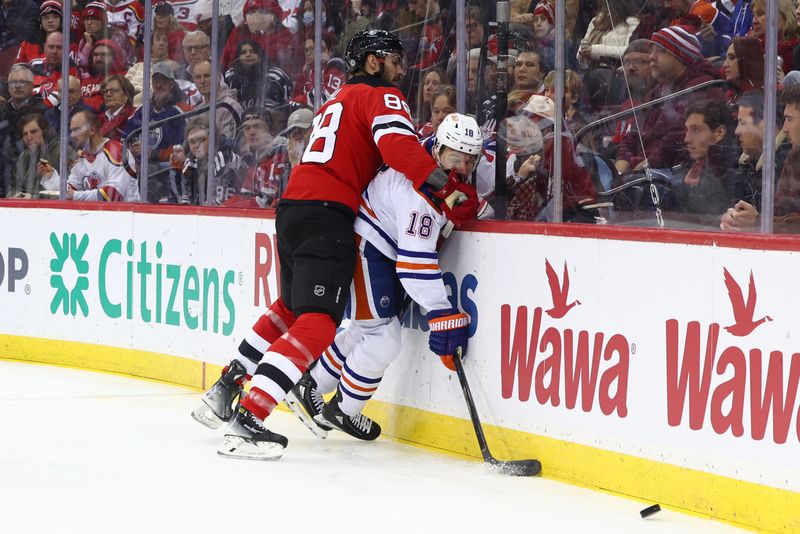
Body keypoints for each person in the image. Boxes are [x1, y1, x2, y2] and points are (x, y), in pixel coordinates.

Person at [191, 30, 458, 460]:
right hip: (327, 212)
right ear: (373, 62)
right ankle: (250, 418)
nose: (401, 68)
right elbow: (398, 147)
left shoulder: (336, 101)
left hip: (294, 205)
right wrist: (445, 187)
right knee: (318, 323)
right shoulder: (382, 96)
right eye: (393, 59)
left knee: (291, 308)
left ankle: (227, 385)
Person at [285, 114, 482, 440]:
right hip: (369, 245)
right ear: (439, 149)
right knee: (383, 336)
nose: (461, 166)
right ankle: (342, 409)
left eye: (469, 159)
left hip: (372, 241)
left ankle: (313, 385)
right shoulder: (420, 193)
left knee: (365, 326)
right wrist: (442, 312)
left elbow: (448, 202)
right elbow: (414, 264)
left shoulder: (430, 165)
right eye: (454, 157)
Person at [615, 26, 724, 175]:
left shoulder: (702, 89)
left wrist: (638, 171)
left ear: (681, 57)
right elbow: (634, 134)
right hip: (643, 170)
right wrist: (620, 171)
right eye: (652, 51)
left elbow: (676, 142)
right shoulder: (659, 90)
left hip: (671, 175)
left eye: (661, 51)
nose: (652, 57)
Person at [721, 86, 800, 231]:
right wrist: (739, 219)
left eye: (789, 119)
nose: (785, 128)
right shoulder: (793, 157)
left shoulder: (781, 160)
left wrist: (757, 221)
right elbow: (779, 211)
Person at [41, 109, 139, 202]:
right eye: (71, 130)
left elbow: (112, 195)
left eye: (76, 129)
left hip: (126, 216)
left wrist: (75, 195)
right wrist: (51, 176)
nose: (72, 135)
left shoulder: (116, 151)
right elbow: (69, 191)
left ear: (92, 130)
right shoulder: (82, 159)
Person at [673, 99, 740, 220]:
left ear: (719, 133)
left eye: (696, 130)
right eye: (687, 130)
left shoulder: (733, 175)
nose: (686, 139)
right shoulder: (694, 168)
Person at [173, 116, 243, 205]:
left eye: (202, 140)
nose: (197, 145)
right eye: (192, 142)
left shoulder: (224, 158)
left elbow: (222, 203)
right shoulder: (191, 162)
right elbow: (186, 198)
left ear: (213, 139)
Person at [9, 113, 75, 198]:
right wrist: (14, 196)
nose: (29, 137)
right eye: (25, 134)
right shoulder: (24, 156)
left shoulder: (62, 152)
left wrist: (33, 198)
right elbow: (13, 187)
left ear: (44, 131)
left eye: (33, 132)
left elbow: (70, 191)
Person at [191, 59, 243, 140]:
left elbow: (230, 146)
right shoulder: (196, 111)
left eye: (207, 76)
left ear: (218, 76)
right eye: (198, 77)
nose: (202, 81)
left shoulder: (229, 107)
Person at [98, 74, 136, 141]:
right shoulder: (99, 119)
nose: (108, 94)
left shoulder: (134, 115)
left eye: (113, 91)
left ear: (126, 95)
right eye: (105, 91)